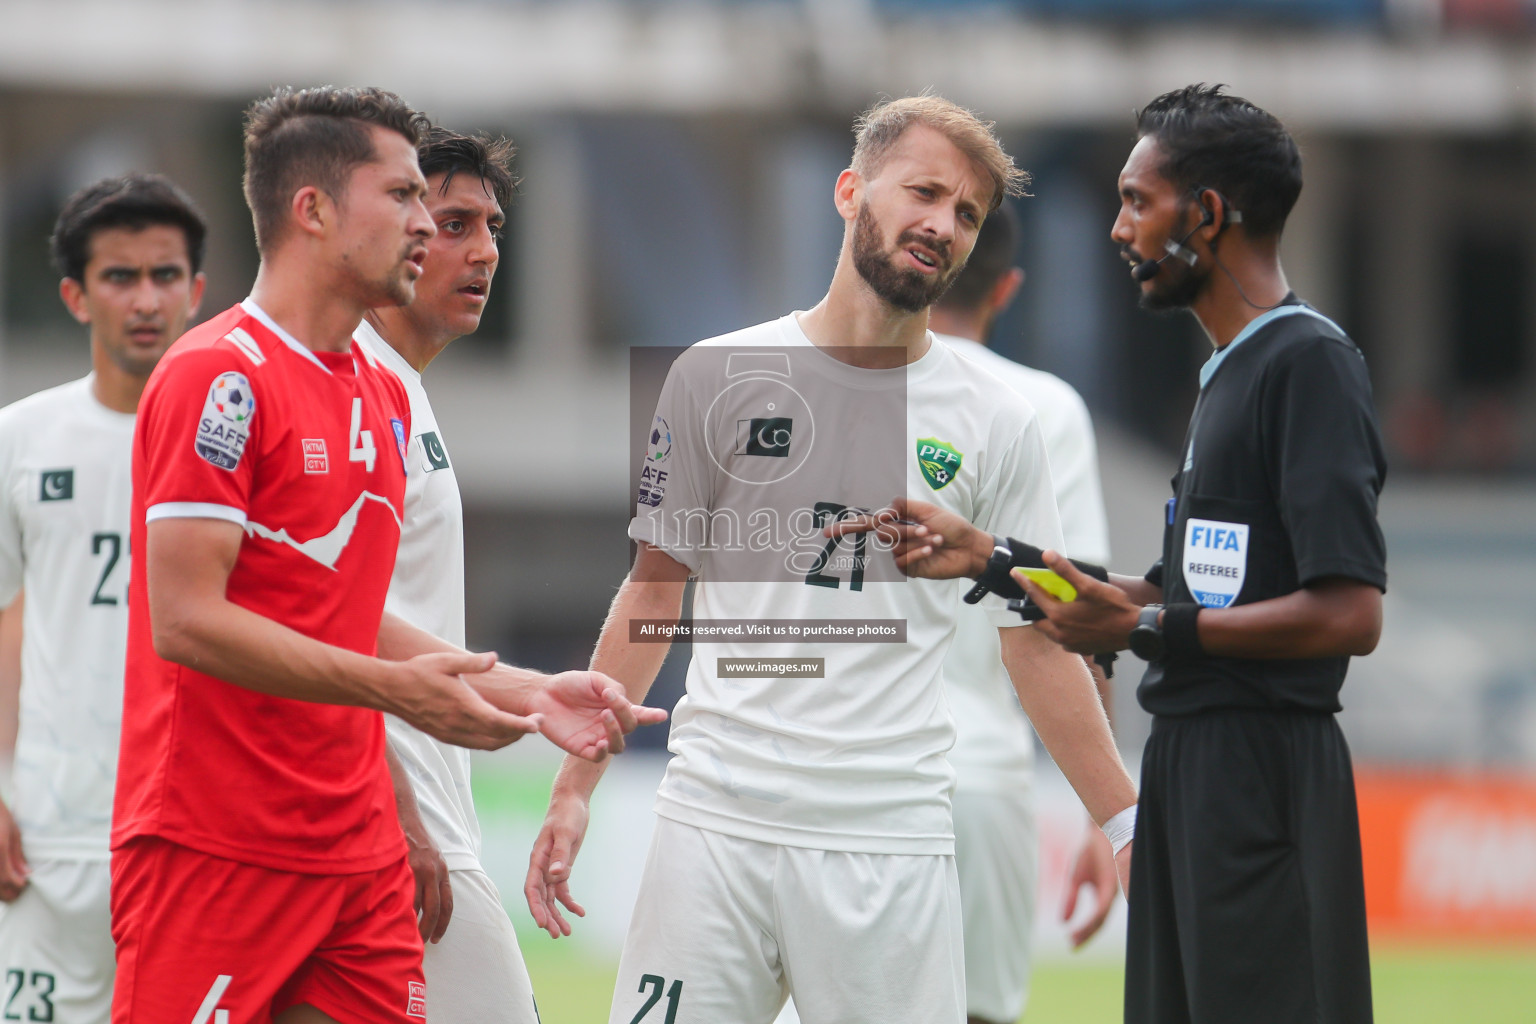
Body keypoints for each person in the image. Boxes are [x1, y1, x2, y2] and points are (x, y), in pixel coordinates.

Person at [525, 95, 1138, 1024]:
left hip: (887, 840)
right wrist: (575, 789)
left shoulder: (1001, 420)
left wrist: (1125, 822)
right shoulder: (713, 375)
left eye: (966, 213)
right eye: (924, 191)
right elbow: (655, 588)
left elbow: (1037, 641)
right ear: (851, 191)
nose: (942, 223)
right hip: (713, 825)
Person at [111, 86, 648, 1024]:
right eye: (407, 200)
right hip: (219, 843)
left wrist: (521, 691)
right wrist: (400, 712)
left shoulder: (381, 397)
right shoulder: (217, 377)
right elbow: (186, 617)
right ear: (313, 211)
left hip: (355, 844)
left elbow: (342, 612)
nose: (430, 229)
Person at [860, 84, 1387, 1024]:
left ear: (1210, 215)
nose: (1116, 229)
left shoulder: (1309, 363)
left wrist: (1144, 627)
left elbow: (1350, 611)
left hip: (1262, 784)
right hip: (1191, 776)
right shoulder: (1228, 375)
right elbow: (1178, 589)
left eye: (1138, 202)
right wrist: (990, 558)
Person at [355, 125, 669, 1022]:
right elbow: (323, 618)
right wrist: (399, 812)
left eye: (493, 226)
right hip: (394, 826)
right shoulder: (356, 389)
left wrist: (525, 691)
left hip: (411, 818)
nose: (486, 250)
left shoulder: (401, 390)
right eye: (455, 223)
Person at [0, 174, 207, 1023]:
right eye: (120, 277)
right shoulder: (20, 438)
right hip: (50, 837)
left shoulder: (232, 440)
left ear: (197, 292)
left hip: (197, 835)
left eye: (165, 276)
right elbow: (6, 626)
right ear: (76, 297)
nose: (146, 299)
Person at [927, 204, 1119, 1024]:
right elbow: (1077, 612)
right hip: (982, 774)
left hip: (845, 771)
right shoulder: (1045, 407)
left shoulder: (841, 389)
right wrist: (1099, 814)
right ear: (1005, 288)